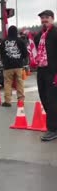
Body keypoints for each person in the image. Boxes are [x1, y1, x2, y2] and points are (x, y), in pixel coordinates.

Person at [34, 10, 57, 141]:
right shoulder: (39, 35)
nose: (44, 20)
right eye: (42, 18)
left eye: (46, 17)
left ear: (52, 18)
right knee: (44, 98)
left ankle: (53, 129)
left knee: (52, 100)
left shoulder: (55, 33)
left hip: (52, 71)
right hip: (41, 70)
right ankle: (53, 124)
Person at [0, 25, 28, 107]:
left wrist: (4, 61)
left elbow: (1, 54)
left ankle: (7, 101)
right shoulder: (20, 41)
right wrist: (21, 59)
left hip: (7, 67)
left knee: (8, 83)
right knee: (19, 82)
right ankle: (21, 100)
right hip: (18, 65)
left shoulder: (4, 42)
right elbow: (25, 53)